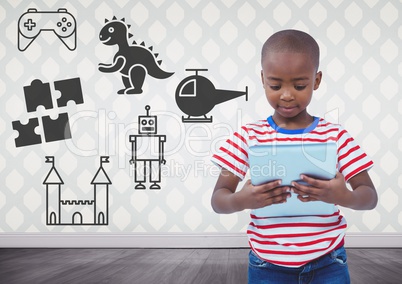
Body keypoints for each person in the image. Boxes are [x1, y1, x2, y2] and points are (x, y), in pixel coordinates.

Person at [211, 29, 377, 283]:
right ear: (263, 79)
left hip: (328, 262)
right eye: (275, 85)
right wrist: (242, 200)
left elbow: (369, 197)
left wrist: (343, 196)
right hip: (266, 265)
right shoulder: (246, 136)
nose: (286, 95)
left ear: (317, 80)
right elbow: (218, 199)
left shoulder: (336, 136)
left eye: (300, 85)